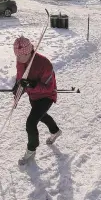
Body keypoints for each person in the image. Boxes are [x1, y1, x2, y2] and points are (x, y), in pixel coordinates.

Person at [13, 35, 62, 165]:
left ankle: (31, 149)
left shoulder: (44, 64)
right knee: (41, 116)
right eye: (16, 55)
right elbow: (20, 77)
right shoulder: (20, 61)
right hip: (33, 96)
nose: (17, 58)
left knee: (31, 123)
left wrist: (32, 85)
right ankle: (56, 131)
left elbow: (49, 87)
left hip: (46, 96)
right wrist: (18, 87)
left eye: (19, 56)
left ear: (29, 52)